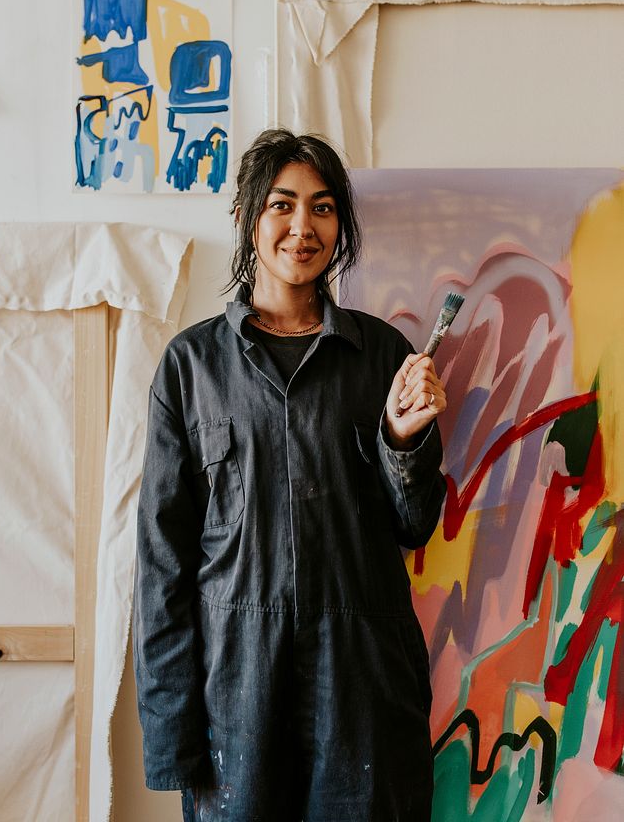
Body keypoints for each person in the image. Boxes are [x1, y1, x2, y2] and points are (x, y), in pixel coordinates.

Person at [133, 129, 448, 822]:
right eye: (281, 204)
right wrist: (170, 733)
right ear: (247, 218)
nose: (302, 227)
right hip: (236, 687)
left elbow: (415, 525)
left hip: (362, 681)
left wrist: (401, 441)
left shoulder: (381, 357)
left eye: (323, 207)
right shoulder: (191, 368)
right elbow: (162, 566)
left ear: (340, 225)